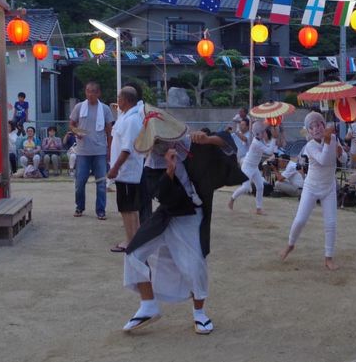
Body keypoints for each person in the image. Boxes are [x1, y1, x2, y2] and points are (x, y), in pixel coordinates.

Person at [122, 105, 246, 334]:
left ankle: (199, 312)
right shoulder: (153, 163)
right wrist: (169, 169)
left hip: (193, 215)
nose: (161, 144)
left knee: (194, 265)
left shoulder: (190, 143)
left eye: (162, 137)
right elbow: (162, 195)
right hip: (168, 213)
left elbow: (230, 143)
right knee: (134, 253)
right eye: (156, 139)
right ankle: (148, 305)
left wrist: (207, 139)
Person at [280, 111, 343, 271]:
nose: (316, 129)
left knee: (331, 223)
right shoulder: (309, 146)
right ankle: (290, 244)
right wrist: (329, 142)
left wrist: (341, 153)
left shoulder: (334, 138)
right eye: (312, 127)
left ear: (324, 125)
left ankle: (328, 257)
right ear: (308, 131)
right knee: (300, 220)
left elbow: (343, 159)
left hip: (329, 187)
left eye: (319, 124)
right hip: (311, 187)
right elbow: (323, 160)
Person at [69, 81, 114, 219]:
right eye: (88, 91)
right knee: (80, 182)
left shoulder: (105, 109)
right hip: (82, 151)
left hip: (100, 150)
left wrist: (109, 150)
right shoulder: (79, 107)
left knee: (101, 182)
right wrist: (76, 132)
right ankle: (79, 207)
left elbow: (109, 131)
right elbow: (71, 124)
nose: (90, 94)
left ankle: (101, 210)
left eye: (93, 91)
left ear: (98, 93)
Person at [107, 87, 144, 251]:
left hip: (127, 171)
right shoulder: (127, 116)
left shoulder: (131, 120)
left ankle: (131, 240)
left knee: (128, 209)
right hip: (125, 172)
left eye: (119, 98)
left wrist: (115, 168)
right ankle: (134, 238)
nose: (118, 101)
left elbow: (127, 149)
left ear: (127, 100)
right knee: (129, 208)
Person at [229, 120, 277, 215]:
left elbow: (268, 146)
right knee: (246, 187)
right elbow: (270, 151)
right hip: (247, 167)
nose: (265, 133)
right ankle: (232, 199)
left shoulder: (260, 139)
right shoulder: (257, 142)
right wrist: (274, 138)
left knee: (260, 186)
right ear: (259, 133)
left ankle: (258, 209)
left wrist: (273, 125)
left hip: (254, 167)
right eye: (263, 131)